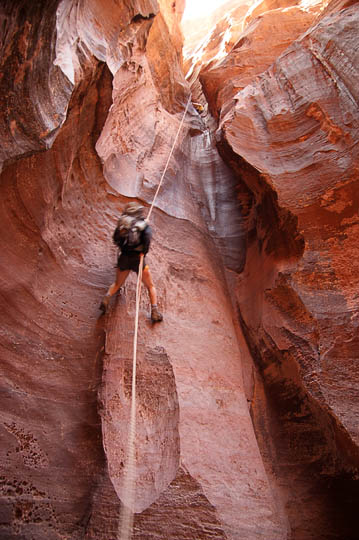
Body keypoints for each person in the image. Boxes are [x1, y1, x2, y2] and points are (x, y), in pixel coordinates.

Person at [100, 202, 163, 322]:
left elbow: (115, 239)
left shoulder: (123, 223)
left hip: (124, 257)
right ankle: (154, 312)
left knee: (117, 284)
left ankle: (106, 298)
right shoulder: (143, 226)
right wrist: (143, 253)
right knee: (150, 286)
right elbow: (147, 241)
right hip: (138, 259)